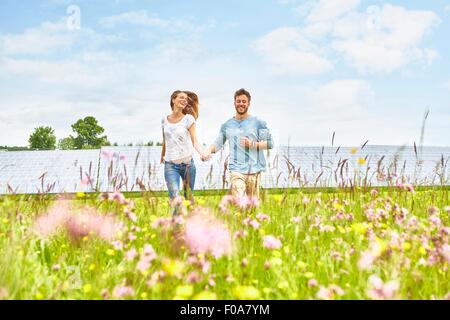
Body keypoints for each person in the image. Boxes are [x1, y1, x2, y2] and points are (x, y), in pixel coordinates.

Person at [203, 88, 273, 199]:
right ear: (234, 103)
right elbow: (218, 143)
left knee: (252, 205)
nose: (241, 104)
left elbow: (269, 143)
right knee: (239, 200)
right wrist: (207, 151)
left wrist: (253, 144)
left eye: (244, 101)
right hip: (236, 170)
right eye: (238, 101)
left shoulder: (258, 122)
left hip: (254, 170)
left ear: (249, 103)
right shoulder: (227, 125)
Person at [161, 90, 207, 215]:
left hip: (188, 165)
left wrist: (202, 153)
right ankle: (176, 229)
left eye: (186, 99)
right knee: (175, 198)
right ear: (173, 100)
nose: (184, 100)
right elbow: (165, 140)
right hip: (170, 165)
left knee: (188, 198)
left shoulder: (188, 119)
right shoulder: (164, 120)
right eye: (181, 97)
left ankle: (192, 227)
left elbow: (195, 141)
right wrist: (162, 155)